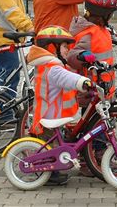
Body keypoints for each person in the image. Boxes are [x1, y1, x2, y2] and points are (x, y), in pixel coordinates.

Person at [27, 25, 93, 185]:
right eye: (64, 46)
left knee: (53, 145)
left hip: (49, 114)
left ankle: (51, 171)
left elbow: (66, 74)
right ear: (52, 47)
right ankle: (49, 175)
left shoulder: (49, 65)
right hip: (48, 117)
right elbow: (67, 79)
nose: (67, 50)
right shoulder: (53, 68)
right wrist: (84, 82)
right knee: (52, 148)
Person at [66, 0, 117, 94]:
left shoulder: (101, 28)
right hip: (91, 90)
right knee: (89, 111)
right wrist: (81, 56)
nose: (110, 18)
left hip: (103, 87)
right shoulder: (89, 34)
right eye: (110, 15)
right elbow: (71, 57)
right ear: (101, 16)